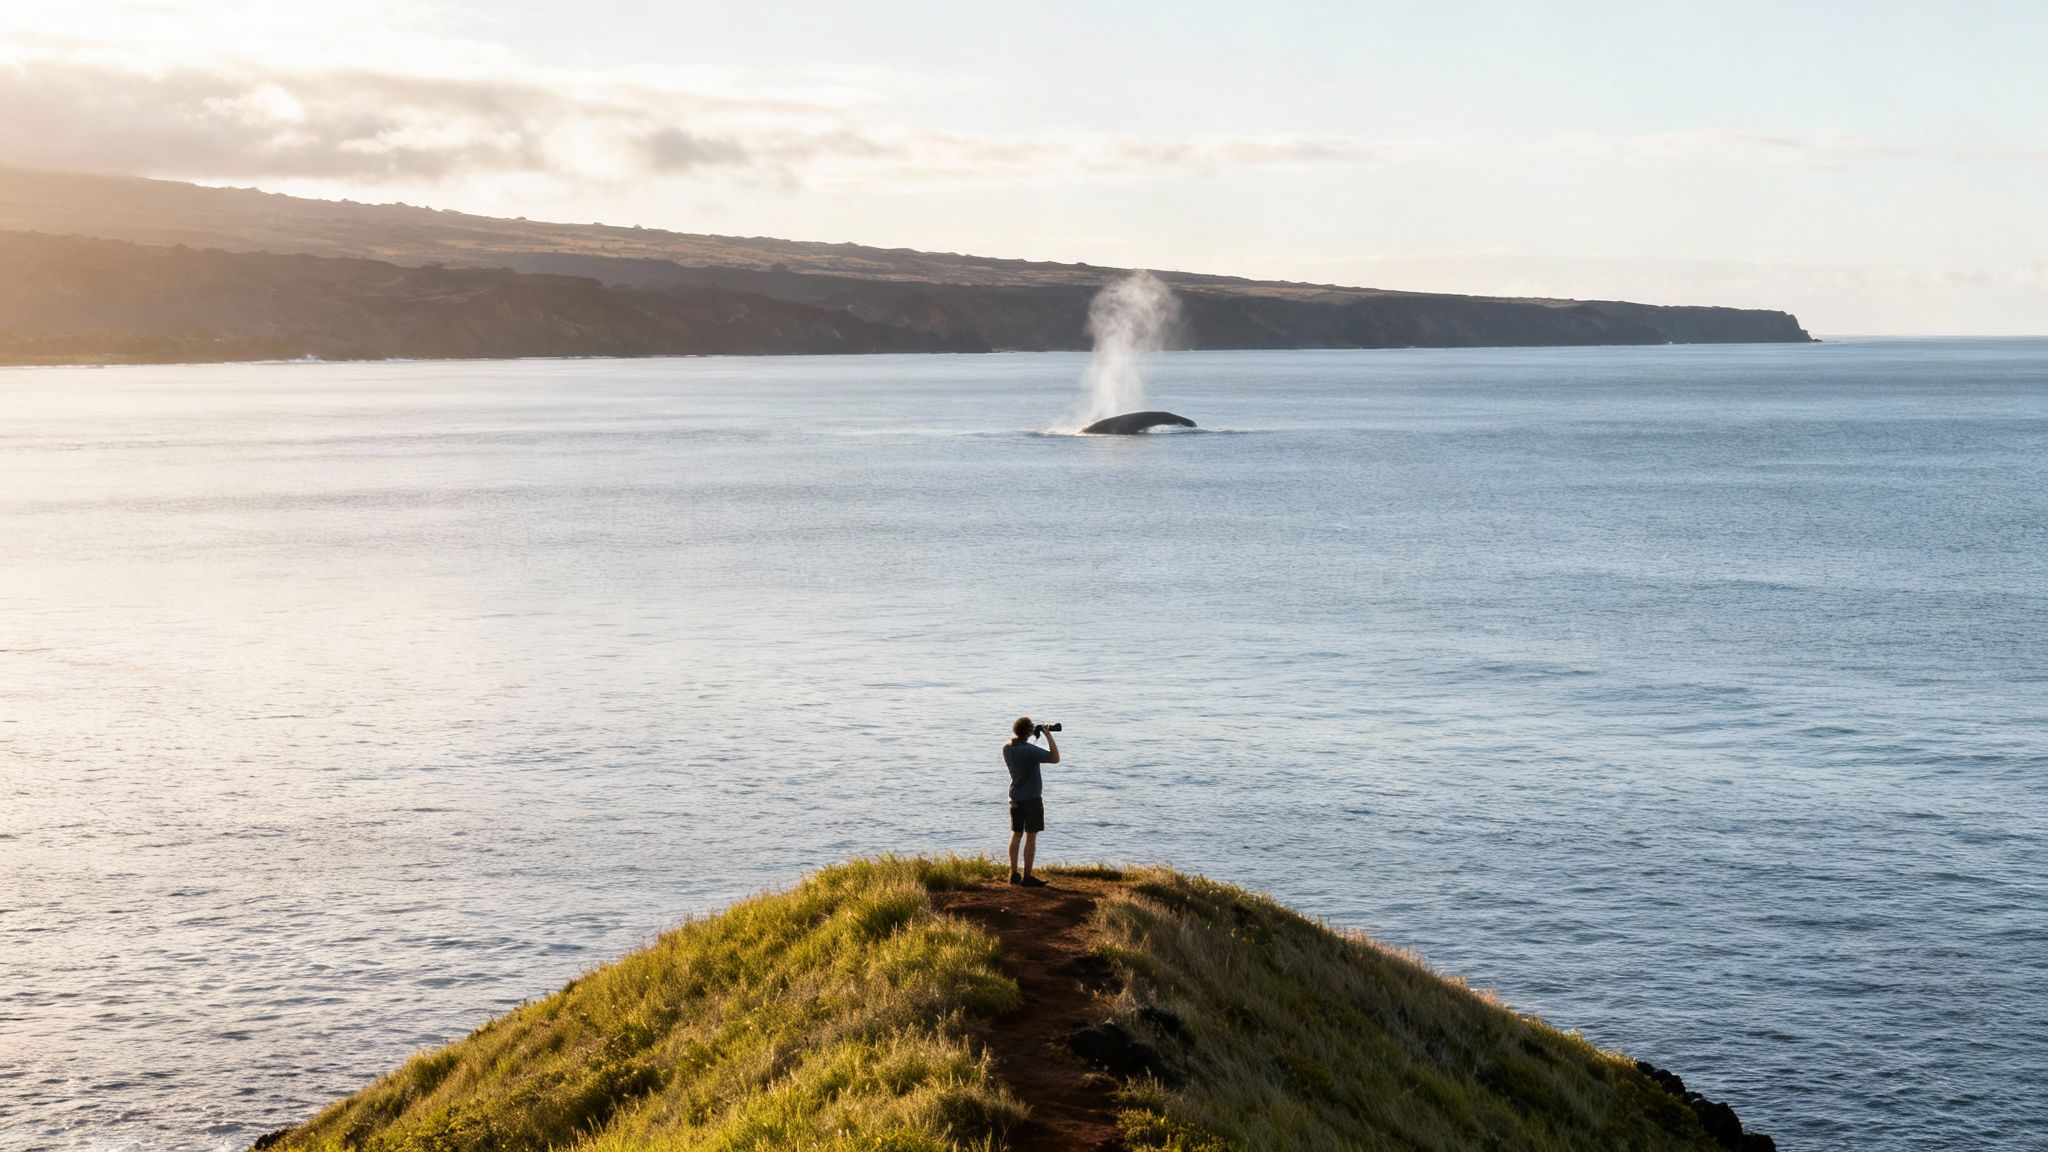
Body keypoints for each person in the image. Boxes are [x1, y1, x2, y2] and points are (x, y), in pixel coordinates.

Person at [1003, 716, 1059, 887]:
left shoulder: (1007, 748)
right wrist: (1048, 735)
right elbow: (1055, 757)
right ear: (1028, 732)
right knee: (1031, 836)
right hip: (1032, 799)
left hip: (1015, 798)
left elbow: (1024, 748)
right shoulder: (1031, 751)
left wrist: (1033, 737)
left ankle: (1013, 874)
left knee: (1016, 834)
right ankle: (1027, 876)